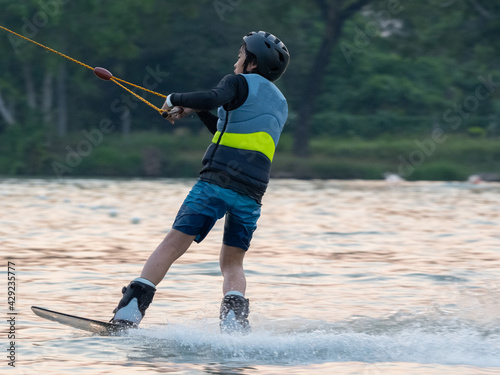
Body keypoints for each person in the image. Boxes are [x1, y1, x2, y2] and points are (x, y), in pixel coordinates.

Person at [111, 31, 290, 334]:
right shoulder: (280, 102)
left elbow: (212, 97)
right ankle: (234, 323)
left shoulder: (237, 82)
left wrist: (175, 99)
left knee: (171, 245)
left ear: (252, 63)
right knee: (232, 263)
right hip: (251, 192)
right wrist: (195, 111)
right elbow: (226, 127)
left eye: (240, 55)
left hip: (215, 182)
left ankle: (129, 313)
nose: (236, 60)